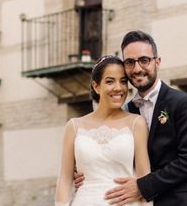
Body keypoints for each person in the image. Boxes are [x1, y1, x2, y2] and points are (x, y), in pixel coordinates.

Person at [103, 30, 187, 206]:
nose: (137, 69)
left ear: (157, 62)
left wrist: (142, 186)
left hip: (183, 200)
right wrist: (85, 171)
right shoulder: (127, 110)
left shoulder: (182, 103)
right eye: (130, 62)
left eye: (144, 60)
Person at [55, 55, 152, 206]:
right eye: (109, 81)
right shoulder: (74, 126)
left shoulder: (136, 123)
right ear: (96, 86)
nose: (118, 88)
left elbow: (144, 178)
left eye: (123, 81)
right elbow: (64, 179)